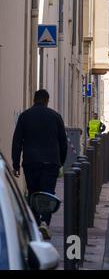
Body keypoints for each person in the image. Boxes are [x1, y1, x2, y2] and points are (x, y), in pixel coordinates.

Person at [11, 89, 68, 240]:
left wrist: (15, 163)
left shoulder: (25, 116)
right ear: (47, 100)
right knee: (48, 192)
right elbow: (63, 142)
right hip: (51, 162)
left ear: (34, 99)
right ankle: (45, 222)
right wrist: (60, 162)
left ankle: (36, 223)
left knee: (33, 193)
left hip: (31, 162)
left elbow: (17, 141)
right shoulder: (56, 117)